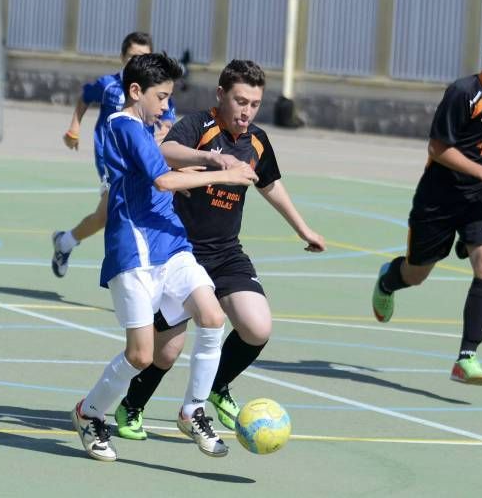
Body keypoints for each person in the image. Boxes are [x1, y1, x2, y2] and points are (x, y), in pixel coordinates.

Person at [112, 59, 326, 441]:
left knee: (257, 326)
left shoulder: (257, 140)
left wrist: (303, 228)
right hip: (181, 252)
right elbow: (167, 150)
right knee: (167, 350)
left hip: (226, 252)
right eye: (240, 101)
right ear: (221, 95)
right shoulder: (199, 126)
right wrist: (211, 159)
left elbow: (270, 185)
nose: (247, 111)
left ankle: (215, 386)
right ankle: (133, 404)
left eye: (255, 104)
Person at [71, 53, 259, 462]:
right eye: (161, 97)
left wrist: (213, 159)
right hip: (134, 251)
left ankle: (193, 411)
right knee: (140, 355)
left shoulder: (144, 126)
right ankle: (90, 413)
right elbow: (162, 178)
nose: (165, 106)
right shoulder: (125, 127)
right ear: (136, 92)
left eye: (170, 97)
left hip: (170, 244)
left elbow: (167, 173)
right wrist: (223, 173)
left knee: (212, 316)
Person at [371, 26, 482, 385]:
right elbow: (437, 149)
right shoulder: (463, 93)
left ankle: (466, 356)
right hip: (440, 197)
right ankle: (387, 280)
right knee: (417, 274)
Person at [51, 32, 176, 277]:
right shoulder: (108, 85)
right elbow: (84, 98)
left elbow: (167, 122)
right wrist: (74, 127)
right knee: (119, 214)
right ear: (122, 56)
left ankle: (65, 242)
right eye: (132, 56)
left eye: (143, 56)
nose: (136, 61)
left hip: (143, 164)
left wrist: (161, 136)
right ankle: (135, 274)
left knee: (104, 215)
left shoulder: (156, 91)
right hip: (113, 164)